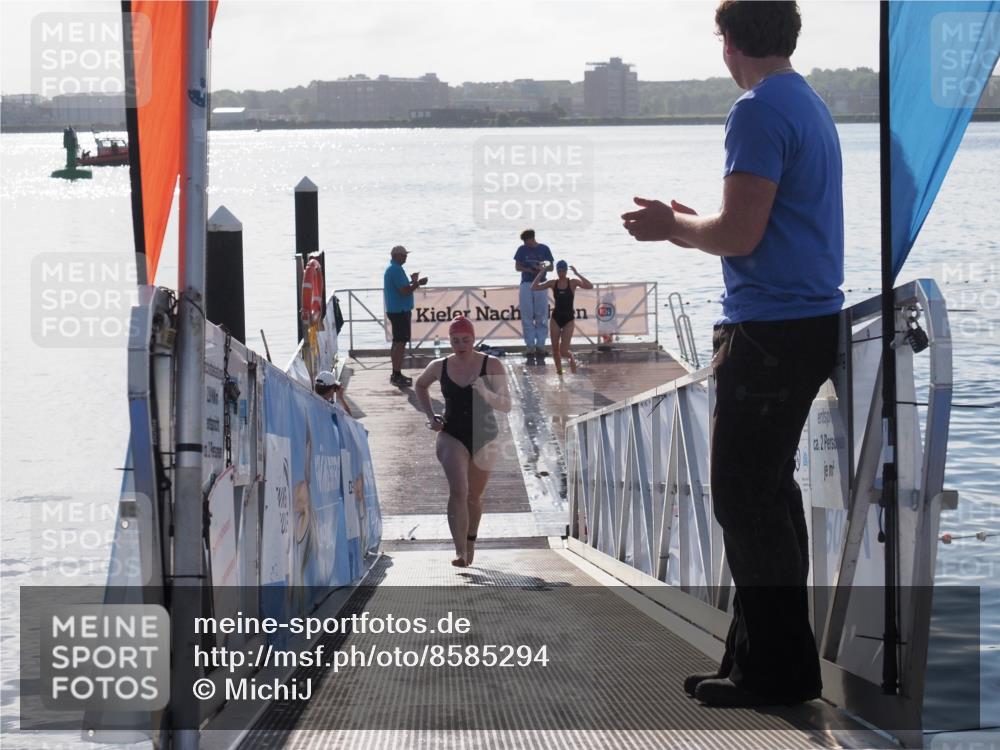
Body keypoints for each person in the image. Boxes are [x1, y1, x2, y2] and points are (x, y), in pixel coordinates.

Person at [622, 0, 842, 708]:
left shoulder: (755, 111)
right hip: (805, 321)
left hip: (769, 329)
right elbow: (755, 223)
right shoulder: (805, 102)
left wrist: (670, 226)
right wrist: (692, 224)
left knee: (745, 499)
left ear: (729, 43)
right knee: (769, 497)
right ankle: (757, 662)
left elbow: (740, 235)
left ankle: (779, 671)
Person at [414, 315, 512, 567]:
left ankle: (470, 542)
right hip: (450, 434)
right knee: (459, 490)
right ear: (449, 341)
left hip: (484, 435)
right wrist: (430, 415)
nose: (460, 345)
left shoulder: (491, 364)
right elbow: (420, 385)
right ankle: (459, 552)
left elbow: (506, 405)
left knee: (474, 497)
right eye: (455, 340)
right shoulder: (440, 365)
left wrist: (484, 392)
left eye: (465, 340)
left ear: (474, 339)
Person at [531, 260, 593, 376]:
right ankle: (560, 374)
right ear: (556, 271)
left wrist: (578, 274)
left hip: (568, 320)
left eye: (563, 270)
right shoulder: (553, 283)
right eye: (559, 270)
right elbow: (533, 287)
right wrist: (541, 272)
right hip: (556, 319)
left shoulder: (573, 282)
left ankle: (572, 359)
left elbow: (590, 286)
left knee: (564, 351)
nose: (561, 272)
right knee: (555, 350)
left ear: (566, 271)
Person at [383, 245, 427, 387]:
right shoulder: (395, 270)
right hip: (399, 311)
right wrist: (418, 283)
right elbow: (404, 291)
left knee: (397, 341)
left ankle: (395, 373)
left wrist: (413, 281)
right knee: (400, 342)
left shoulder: (394, 269)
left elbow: (402, 287)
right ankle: (396, 374)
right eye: (403, 255)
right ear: (396, 255)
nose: (406, 257)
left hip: (396, 310)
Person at [513, 229, 554, 356]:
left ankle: (541, 345)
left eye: (527, 241)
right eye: (524, 242)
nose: (526, 244)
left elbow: (551, 267)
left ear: (532, 238)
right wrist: (528, 269)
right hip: (526, 283)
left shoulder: (544, 249)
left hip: (541, 283)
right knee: (527, 315)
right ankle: (530, 346)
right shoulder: (521, 249)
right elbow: (517, 267)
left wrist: (542, 267)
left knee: (541, 315)